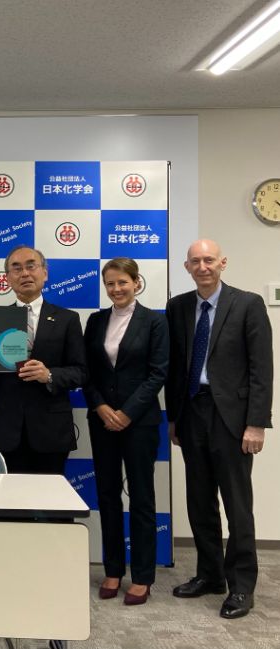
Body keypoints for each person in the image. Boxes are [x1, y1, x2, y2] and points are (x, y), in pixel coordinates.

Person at [165, 239, 273, 619]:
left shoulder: (247, 304)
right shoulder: (177, 307)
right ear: (186, 266)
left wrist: (256, 423)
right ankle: (210, 575)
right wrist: (173, 417)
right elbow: (176, 367)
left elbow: (262, 367)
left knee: (237, 506)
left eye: (209, 259)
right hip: (192, 412)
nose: (203, 266)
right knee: (199, 501)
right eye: (195, 261)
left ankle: (242, 586)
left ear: (222, 262)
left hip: (233, 418)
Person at [83, 257, 169, 606]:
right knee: (106, 495)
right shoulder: (96, 320)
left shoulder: (155, 322)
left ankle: (143, 575)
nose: (116, 289)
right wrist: (102, 407)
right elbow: (86, 370)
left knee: (142, 497)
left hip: (140, 422)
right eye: (110, 284)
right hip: (102, 420)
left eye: (122, 282)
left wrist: (127, 412)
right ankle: (114, 569)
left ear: (137, 282)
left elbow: (159, 372)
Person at [0, 245, 87, 474]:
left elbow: (81, 372)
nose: (25, 273)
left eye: (31, 266)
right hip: (7, 429)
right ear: (7, 279)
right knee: (10, 504)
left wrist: (49, 375)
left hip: (50, 429)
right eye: (16, 268)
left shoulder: (67, 319)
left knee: (51, 505)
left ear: (45, 272)